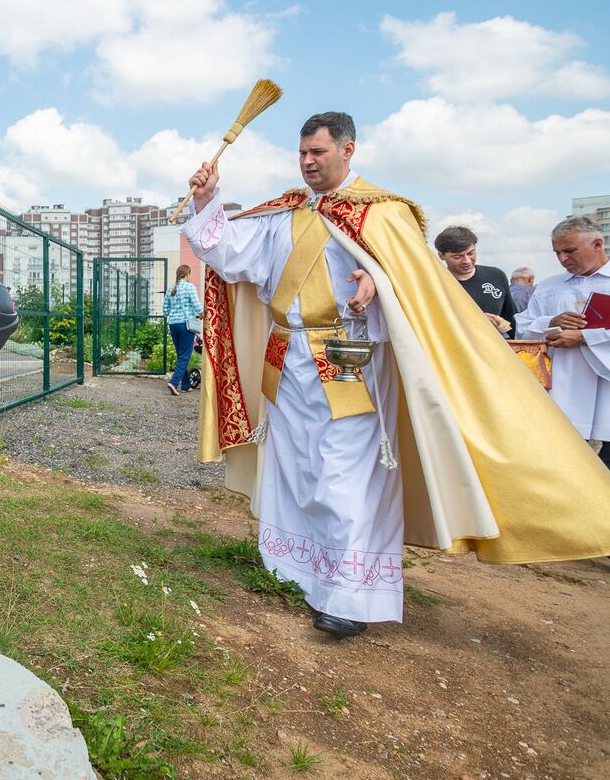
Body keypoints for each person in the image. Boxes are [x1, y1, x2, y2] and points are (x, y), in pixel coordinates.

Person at [184, 111, 610, 640]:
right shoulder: (285, 212)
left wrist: (378, 281)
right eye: (302, 153)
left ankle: (352, 597)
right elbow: (232, 258)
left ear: (348, 150)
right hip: (285, 360)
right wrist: (207, 200)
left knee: (346, 473)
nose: (308, 162)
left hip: (350, 359)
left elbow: (415, 288)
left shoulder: (385, 215)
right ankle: (298, 571)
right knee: (297, 469)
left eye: (318, 152)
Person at [516, 217, 610, 466]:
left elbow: (586, 336)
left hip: (606, 389)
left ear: (598, 244)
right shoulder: (549, 287)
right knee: (565, 464)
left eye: (569, 251)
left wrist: (586, 338)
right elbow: (523, 329)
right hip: (565, 388)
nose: (562, 259)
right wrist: (550, 322)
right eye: (557, 252)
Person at [432, 226, 516, 336]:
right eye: (457, 257)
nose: (466, 261)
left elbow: (511, 319)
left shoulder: (496, 276)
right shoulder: (435, 284)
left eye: (471, 253)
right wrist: (478, 321)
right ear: (441, 255)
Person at [164, 264, 203, 396]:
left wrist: (175, 313)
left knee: (181, 355)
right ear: (187, 274)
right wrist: (202, 313)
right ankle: (174, 383)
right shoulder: (189, 287)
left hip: (173, 325)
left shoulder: (171, 288)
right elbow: (197, 305)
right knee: (185, 355)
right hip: (186, 325)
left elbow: (165, 309)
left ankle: (185, 386)